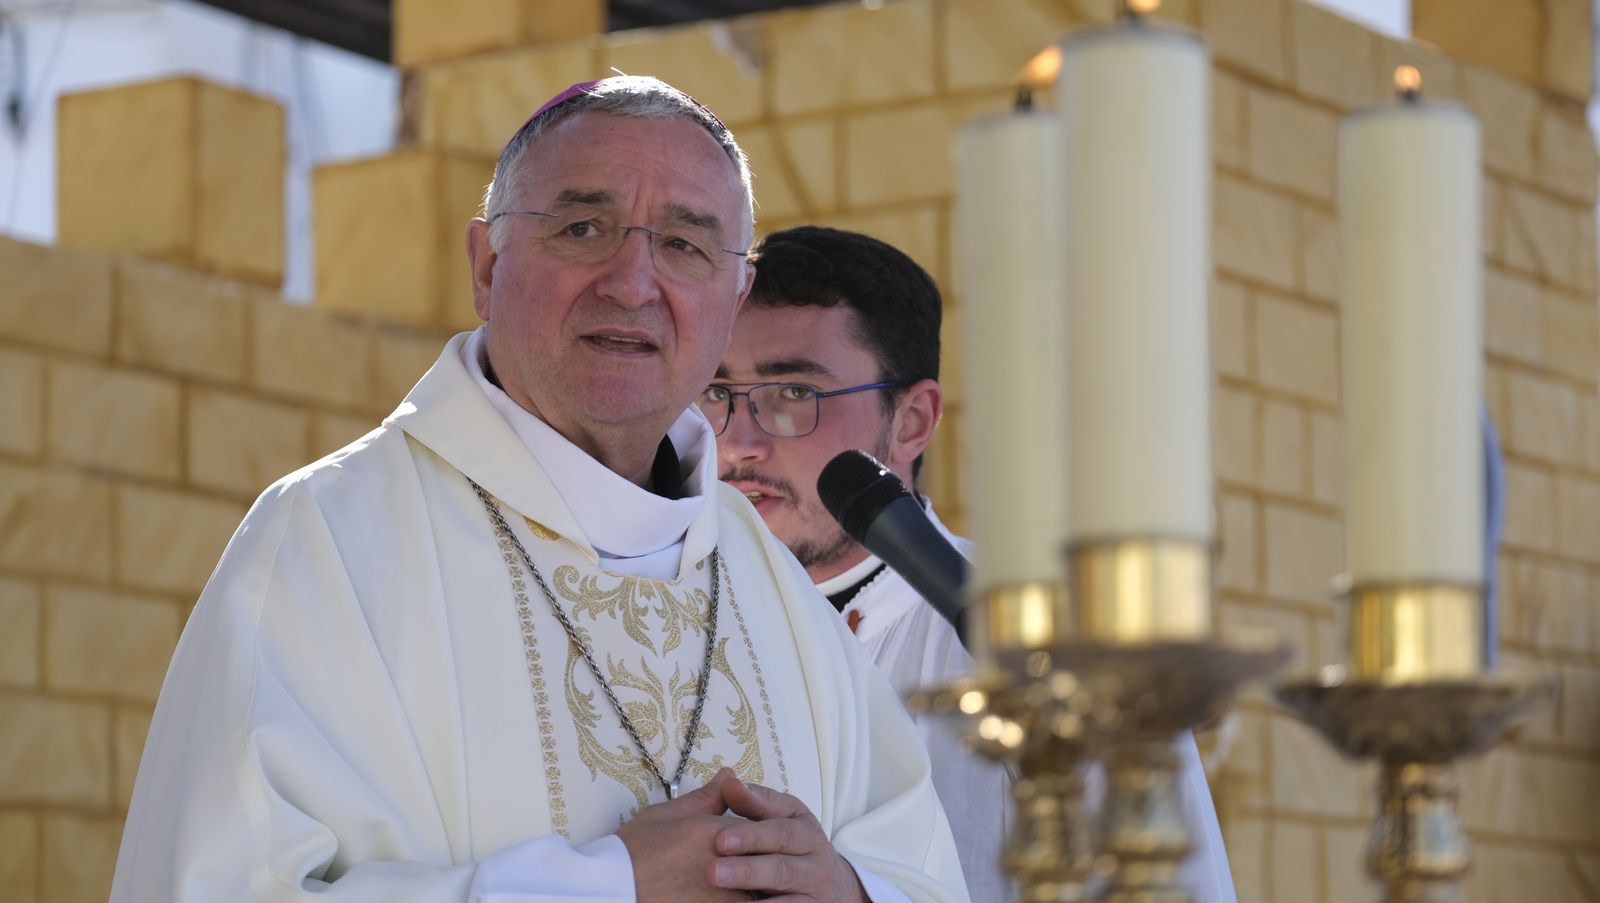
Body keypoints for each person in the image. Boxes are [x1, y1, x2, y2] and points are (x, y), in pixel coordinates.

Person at [110, 78, 967, 903]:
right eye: (583, 228)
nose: (632, 283)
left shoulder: (770, 580)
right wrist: (606, 887)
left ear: (732, 296)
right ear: (487, 265)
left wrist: (849, 892)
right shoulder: (323, 543)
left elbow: (927, 873)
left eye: (683, 244)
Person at [708, 225, 1238, 902]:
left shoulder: (1051, 638)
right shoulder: (667, 627)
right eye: (718, 392)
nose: (739, 443)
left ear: (912, 420)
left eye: (793, 394)